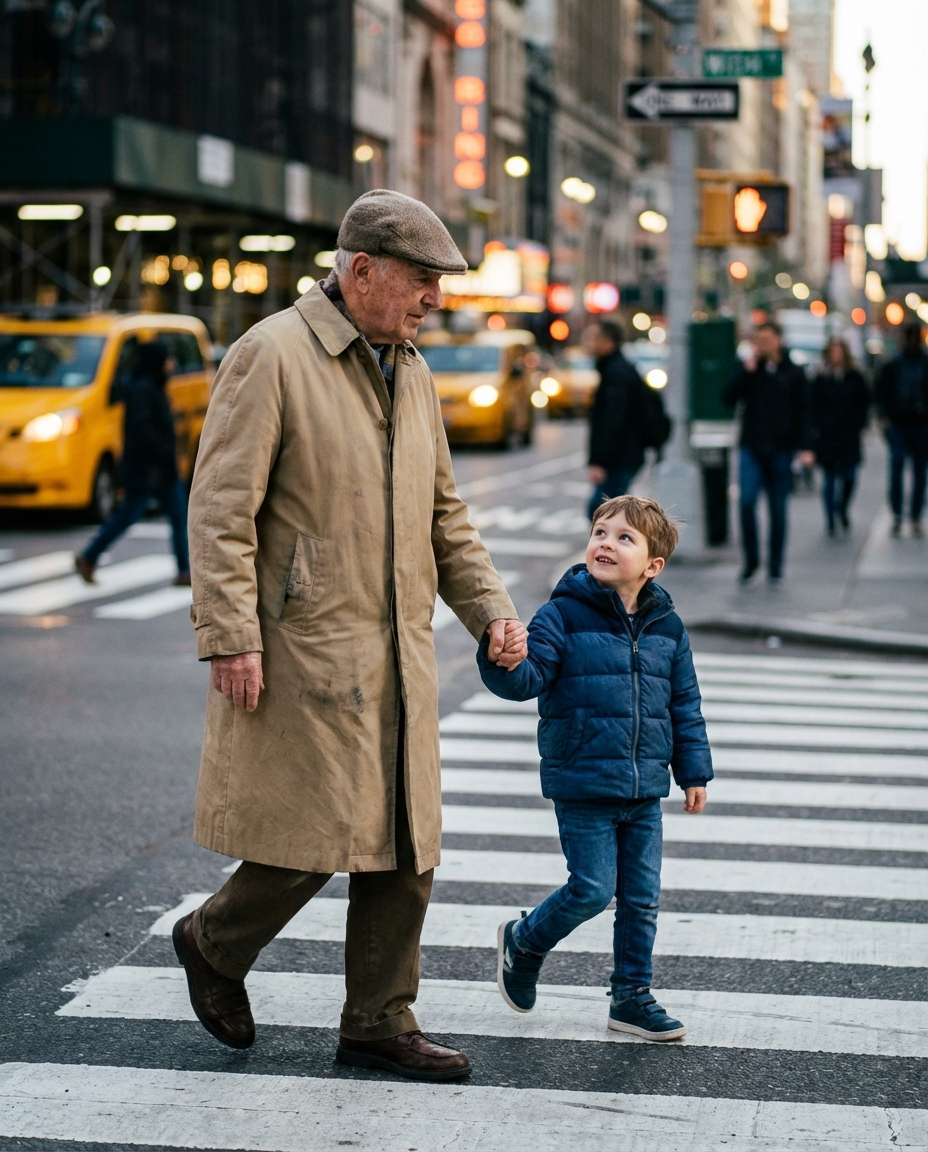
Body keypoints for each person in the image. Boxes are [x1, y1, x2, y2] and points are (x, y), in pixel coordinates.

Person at [174, 189, 528, 1084]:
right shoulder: (272, 354)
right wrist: (229, 634)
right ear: (360, 270)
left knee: (407, 839)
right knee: (317, 834)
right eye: (420, 281)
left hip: (401, 647)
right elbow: (221, 509)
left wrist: (491, 613)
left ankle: (379, 1018)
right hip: (307, 641)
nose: (433, 301)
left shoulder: (409, 368)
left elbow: (446, 515)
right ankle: (213, 942)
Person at [477, 495, 712, 1042]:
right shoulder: (562, 614)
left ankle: (631, 997)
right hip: (583, 778)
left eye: (624, 538)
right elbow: (527, 679)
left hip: (644, 785)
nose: (606, 543)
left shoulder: (667, 627)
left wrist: (693, 770)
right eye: (600, 532)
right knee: (590, 889)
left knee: (641, 899)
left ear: (652, 565)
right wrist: (503, 661)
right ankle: (525, 940)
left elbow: (684, 702)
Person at [75, 340, 189, 586]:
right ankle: (89, 556)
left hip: (157, 468)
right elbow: (142, 431)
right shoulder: (143, 390)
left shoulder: (150, 386)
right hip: (149, 469)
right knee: (130, 515)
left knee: (177, 517)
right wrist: (163, 451)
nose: (171, 364)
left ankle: (184, 571)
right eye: (167, 359)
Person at [723, 321, 814, 584]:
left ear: (778, 340)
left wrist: (806, 447)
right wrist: (746, 372)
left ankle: (775, 563)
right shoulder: (750, 369)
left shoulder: (794, 372)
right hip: (751, 446)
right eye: (758, 340)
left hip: (782, 449)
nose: (762, 345)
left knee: (778, 509)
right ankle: (751, 560)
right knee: (746, 502)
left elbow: (804, 412)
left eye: (766, 339)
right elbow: (728, 398)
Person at [585, 320, 655, 520]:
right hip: (625, 456)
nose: (589, 342)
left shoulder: (616, 373)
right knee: (607, 512)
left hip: (620, 458)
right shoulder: (615, 369)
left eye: (594, 338)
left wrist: (600, 462)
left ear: (608, 342)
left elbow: (612, 422)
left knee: (602, 512)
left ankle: (614, 550)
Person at [809, 337, 870, 537]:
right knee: (829, 480)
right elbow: (813, 406)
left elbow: (864, 402)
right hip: (827, 437)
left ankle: (841, 508)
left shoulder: (854, 376)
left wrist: (860, 425)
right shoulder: (821, 377)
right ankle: (830, 520)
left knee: (849, 477)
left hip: (849, 436)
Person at [876, 323, 928, 537]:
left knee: (918, 471)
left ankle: (914, 515)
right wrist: (885, 418)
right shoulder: (893, 365)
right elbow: (882, 392)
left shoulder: (923, 364)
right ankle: (899, 514)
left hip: (921, 424)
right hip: (899, 423)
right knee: (898, 467)